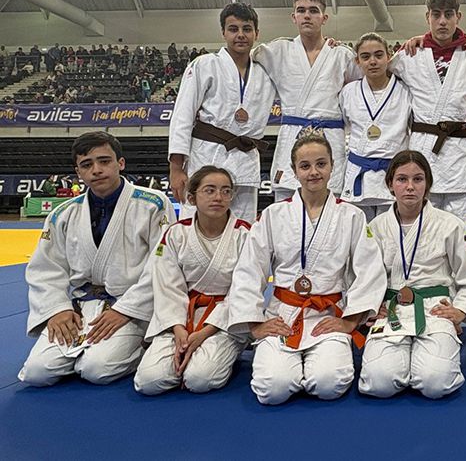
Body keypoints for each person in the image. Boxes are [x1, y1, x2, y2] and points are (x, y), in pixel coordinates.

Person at [227, 132, 386, 405]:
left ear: (333, 166)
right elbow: (249, 270)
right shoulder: (273, 215)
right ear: (294, 171)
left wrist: (350, 321)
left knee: (329, 385)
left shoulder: (352, 216)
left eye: (321, 164)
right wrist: (255, 324)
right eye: (305, 166)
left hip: (328, 314)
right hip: (282, 315)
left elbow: (369, 271)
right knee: (272, 389)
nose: (314, 172)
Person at [18, 132, 175, 387]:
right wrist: (58, 309)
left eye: (104, 161)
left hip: (129, 306)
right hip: (80, 307)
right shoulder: (63, 214)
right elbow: (45, 268)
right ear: (78, 172)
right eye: (87, 164)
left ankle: (144, 345)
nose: (96, 170)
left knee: (96, 369)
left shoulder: (152, 204)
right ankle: (88, 346)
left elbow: (163, 264)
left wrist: (126, 310)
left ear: (120, 163)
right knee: (37, 372)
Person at [359, 151, 466, 398]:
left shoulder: (450, 224)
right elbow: (362, 277)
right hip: (391, 309)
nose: (410, 187)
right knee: (379, 382)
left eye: (418, 179)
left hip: (435, 309)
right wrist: (369, 308)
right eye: (402, 179)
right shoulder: (376, 227)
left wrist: (461, 310)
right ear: (390, 184)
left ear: (427, 184)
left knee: (435, 383)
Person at [133, 167, 251, 395]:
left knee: (200, 379)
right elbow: (167, 287)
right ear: (192, 197)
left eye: (226, 191)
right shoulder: (176, 234)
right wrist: (179, 329)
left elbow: (244, 290)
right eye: (210, 190)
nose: (218, 197)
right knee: (149, 381)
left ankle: (231, 350)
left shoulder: (246, 234)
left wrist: (205, 332)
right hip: (181, 314)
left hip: (225, 320)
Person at [392, 0, 466, 243]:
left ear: (458, 16)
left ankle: (464, 272)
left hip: (460, 156)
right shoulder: (410, 54)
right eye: (436, 14)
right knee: (422, 233)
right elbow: (373, 70)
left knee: (462, 234)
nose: (442, 21)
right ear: (428, 17)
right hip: (424, 153)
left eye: (448, 14)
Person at [168, 3, 277, 222]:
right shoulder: (204, 64)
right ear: (223, 33)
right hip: (207, 157)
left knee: (242, 229)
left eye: (247, 29)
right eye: (233, 29)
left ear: (256, 33)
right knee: (197, 224)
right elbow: (182, 117)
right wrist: (176, 169)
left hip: (246, 162)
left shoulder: (266, 72)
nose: (240, 35)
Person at [253, 0, 361, 201]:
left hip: (330, 137)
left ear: (324, 18)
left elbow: (365, 86)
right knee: (286, 206)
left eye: (313, 10)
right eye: (301, 11)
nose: (307, 16)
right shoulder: (277, 50)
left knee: (331, 206)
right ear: (294, 17)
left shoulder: (342, 55)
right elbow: (244, 60)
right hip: (292, 136)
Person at [339, 33, 411, 221]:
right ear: (357, 61)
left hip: (393, 174)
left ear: (389, 56)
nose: (373, 61)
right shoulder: (348, 92)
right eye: (365, 57)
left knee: (391, 235)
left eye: (379, 55)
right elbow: (346, 125)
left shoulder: (406, 91)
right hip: (359, 174)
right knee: (358, 234)